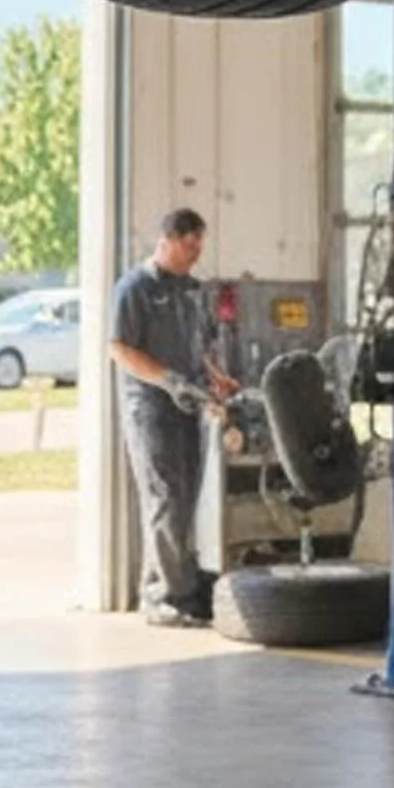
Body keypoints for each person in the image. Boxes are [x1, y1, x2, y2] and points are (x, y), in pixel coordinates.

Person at [110, 208, 237, 629]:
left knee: (185, 499)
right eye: (189, 245)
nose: (196, 253)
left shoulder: (190, 292)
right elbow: (121, 349)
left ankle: (177, 583)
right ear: (166, 240)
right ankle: (164, 595)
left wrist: (215, 378)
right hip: (151, 408)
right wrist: (167, 380)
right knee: (164, 496)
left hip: (190, 407)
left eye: (200, 244)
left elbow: (199, 347)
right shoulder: (135, 288)